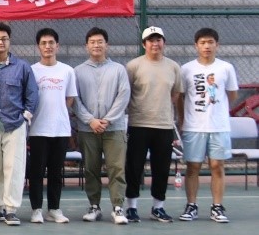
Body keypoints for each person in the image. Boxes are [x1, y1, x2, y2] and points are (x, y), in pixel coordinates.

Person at [0, 23, 38, 227]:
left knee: (14, 167)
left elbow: (32, 93)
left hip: (15, 124)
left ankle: (11, 210)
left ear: (9, 41)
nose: (0, 42)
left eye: (4, 38)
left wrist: (25, 117)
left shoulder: (22, 67)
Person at [176, 27, 239, 223]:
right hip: (194, 126)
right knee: (193, 166)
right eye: (202, 43)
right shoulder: (186, 69)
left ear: (217, 45)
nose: (207, 46)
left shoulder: (226, 68)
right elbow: (180, 97)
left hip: (219, 126)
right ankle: (191, 205)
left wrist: (219, 110)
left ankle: (217, 207)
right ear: (196, 46)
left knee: (217, 166)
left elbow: (232, 94)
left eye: (210, 42)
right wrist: (182, 119)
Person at [73, 27, 131, 224]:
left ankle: (118, 207)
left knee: (116, 168)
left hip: (114, 129)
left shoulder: (119, 70)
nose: (96, 45)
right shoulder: (78, 71)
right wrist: (90, 120)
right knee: (91, 168)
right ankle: (94, 206)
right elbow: (75, 100)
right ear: (86, 46)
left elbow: (123, 96)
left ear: (107, 45)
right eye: (92, 42)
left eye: (100, 42)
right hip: (87, 129)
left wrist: (108, 120)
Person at [124, 26, 182, 223]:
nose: (155, 44)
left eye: (158, 40)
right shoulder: (133, 66)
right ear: (144, 44)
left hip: (164, 126)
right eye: (151, 40)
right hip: (138, 124)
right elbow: (126, 93)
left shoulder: (173, 67)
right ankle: (131, 207)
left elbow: (175, 94)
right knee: (134, 167)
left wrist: (162, 109)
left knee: (161, 169)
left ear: (164, 42)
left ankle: (158, 207)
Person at [27, 28, 76, 224]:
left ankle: (54, 209)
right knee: (36, 173)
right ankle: (36, 210)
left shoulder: (67, 71)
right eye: (44, 43)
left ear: (58, 46)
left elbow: (70, 98)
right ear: (38, 47)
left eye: (51, 43)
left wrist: (57, 113)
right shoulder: (31, 70)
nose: (48, 46)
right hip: (38, 129)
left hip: (61, 130)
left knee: (56, 173)